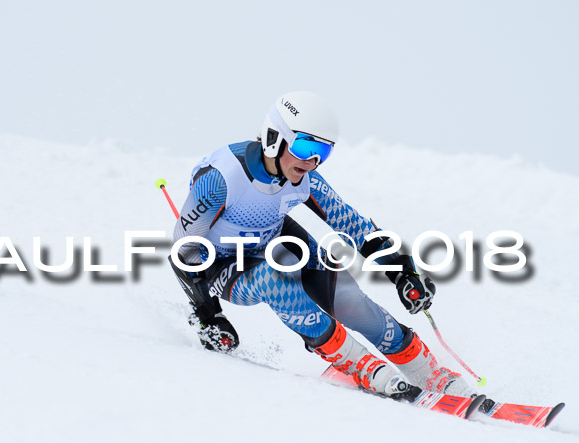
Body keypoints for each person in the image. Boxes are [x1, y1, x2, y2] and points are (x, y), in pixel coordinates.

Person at [169, 91, 471, 398]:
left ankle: (426, 370)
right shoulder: (222, 177)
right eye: (305, 147)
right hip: (223, 263)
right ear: (275, 138)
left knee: (350, 299)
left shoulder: (305, 177)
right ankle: (361, 365)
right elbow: (183, 250)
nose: (312, 161)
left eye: (322, 152)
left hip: (273, 239)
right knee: (276, 279)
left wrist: (402, 271)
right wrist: (209, 315)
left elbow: (352, 225)